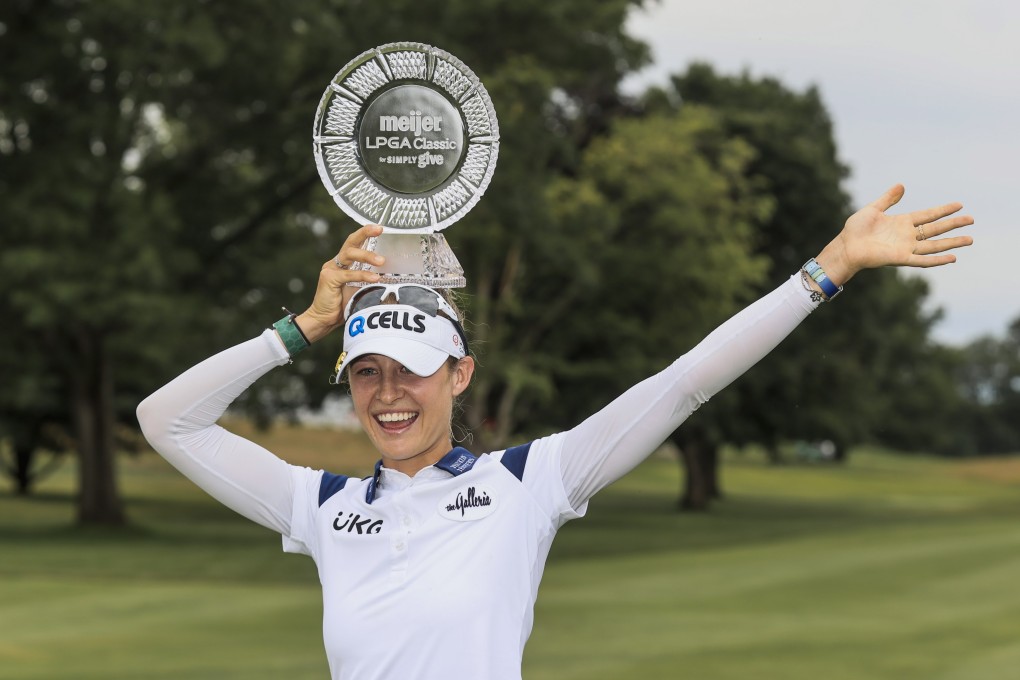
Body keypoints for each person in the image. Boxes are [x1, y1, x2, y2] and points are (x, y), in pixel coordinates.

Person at [137, 184, 972, 680]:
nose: (389, 393)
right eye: (367, 372)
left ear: (458, 373)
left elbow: (683, 384)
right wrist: (306, 325)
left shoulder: (527, 483)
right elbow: (164, 419)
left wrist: (828, 269)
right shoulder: (318, 505)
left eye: (411, 369)